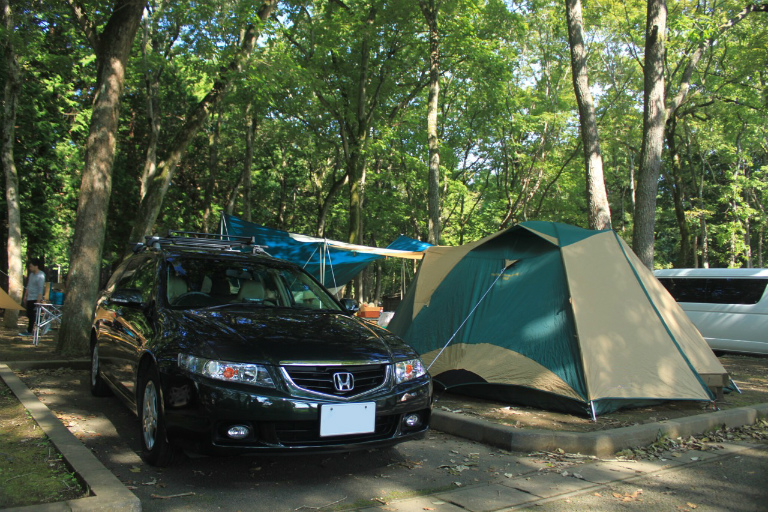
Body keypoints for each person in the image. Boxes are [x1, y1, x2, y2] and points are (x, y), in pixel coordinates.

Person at [19, 258, 46, 336]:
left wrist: (38, 300)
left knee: (33, 316)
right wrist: (25, 296)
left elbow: (41, 289)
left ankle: (30, 331)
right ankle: (42, 325)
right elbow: (28, 286)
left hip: (35, 298)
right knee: (29, 314)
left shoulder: (41, 275)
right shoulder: (31, 275)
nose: (30, 268)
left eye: (31, 266)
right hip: (29, 297)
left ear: (36, 266)